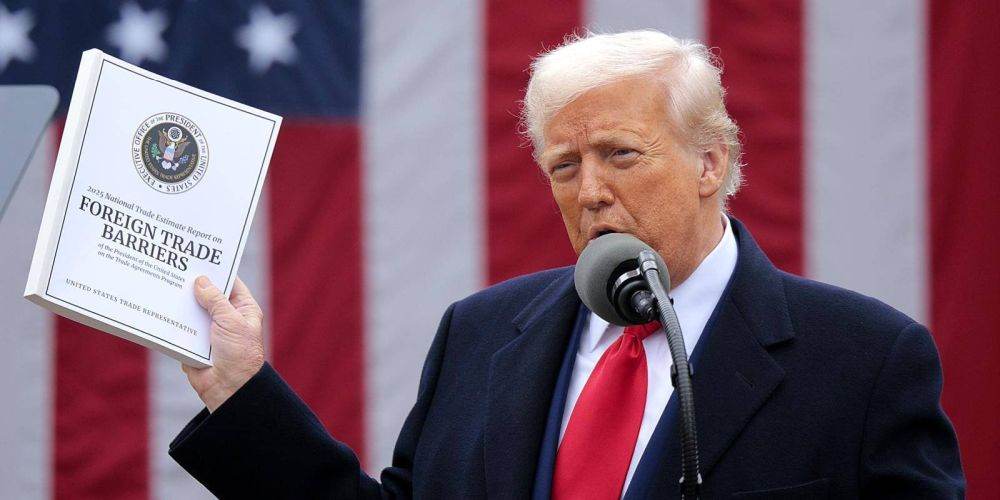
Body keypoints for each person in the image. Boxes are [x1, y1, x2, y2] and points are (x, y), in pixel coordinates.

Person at [170, 31, 965, 498]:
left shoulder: (863, 361)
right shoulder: (478, 336)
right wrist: (240, 391)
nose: (589, 192)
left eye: (620, 155)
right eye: (563, 165)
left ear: (710, 163)